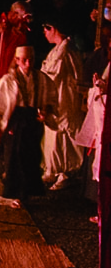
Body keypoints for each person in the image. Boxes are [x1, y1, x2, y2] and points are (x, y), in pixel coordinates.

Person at [0, 46, 50, 199]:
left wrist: (45, 110)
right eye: (24, 60)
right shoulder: (9, 80)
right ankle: (15, 194)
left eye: (31, 59)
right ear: (17, 60)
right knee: (15, 156)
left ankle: (29, 191)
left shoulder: (40, 78)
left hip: (32, 119)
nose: (28, 63)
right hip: (16, 120)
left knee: (32, 156)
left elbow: (47, 97)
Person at [38, 18, 84, 190]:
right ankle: (51, 168)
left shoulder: (65, 51)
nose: (44, 33)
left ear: (54, 28)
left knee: (62, 135)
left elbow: (51, 75)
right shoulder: (57, 50)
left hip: (64, 98)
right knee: (51, 135)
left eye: (46, 29)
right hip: (56, 97)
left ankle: (64, 172)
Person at [0, 0, 31, 116]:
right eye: (20, 19)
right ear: (13, 14)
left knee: (4, 114)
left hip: (8, 76)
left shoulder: (20, 33)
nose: (22, 24)